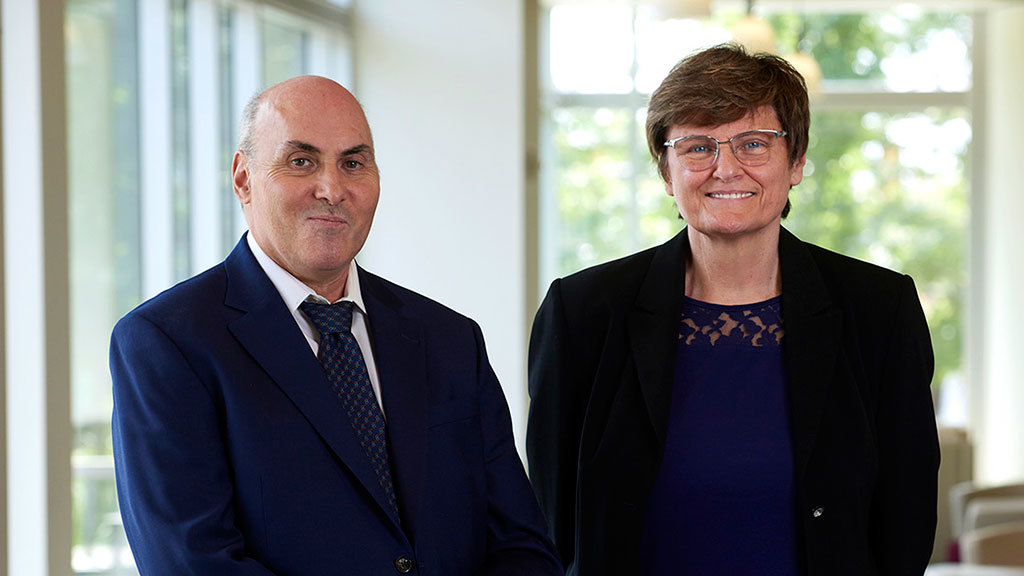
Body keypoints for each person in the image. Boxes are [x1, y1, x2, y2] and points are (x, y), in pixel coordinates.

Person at [111, 75, 561, 576]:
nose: (332, 190)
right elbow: (195, 563)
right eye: (301, 161)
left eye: (352, 163)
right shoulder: (168, 342)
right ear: (243, 179)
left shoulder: (450, 339)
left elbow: (522, 544)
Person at [527, 44, 939, 576]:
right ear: (666, 171)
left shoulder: (879, 309)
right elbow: (551, 523)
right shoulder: (582, 313)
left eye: (753, 144)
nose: (725, 169)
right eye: (698, 147)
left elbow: (906, 519)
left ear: (796, 162)